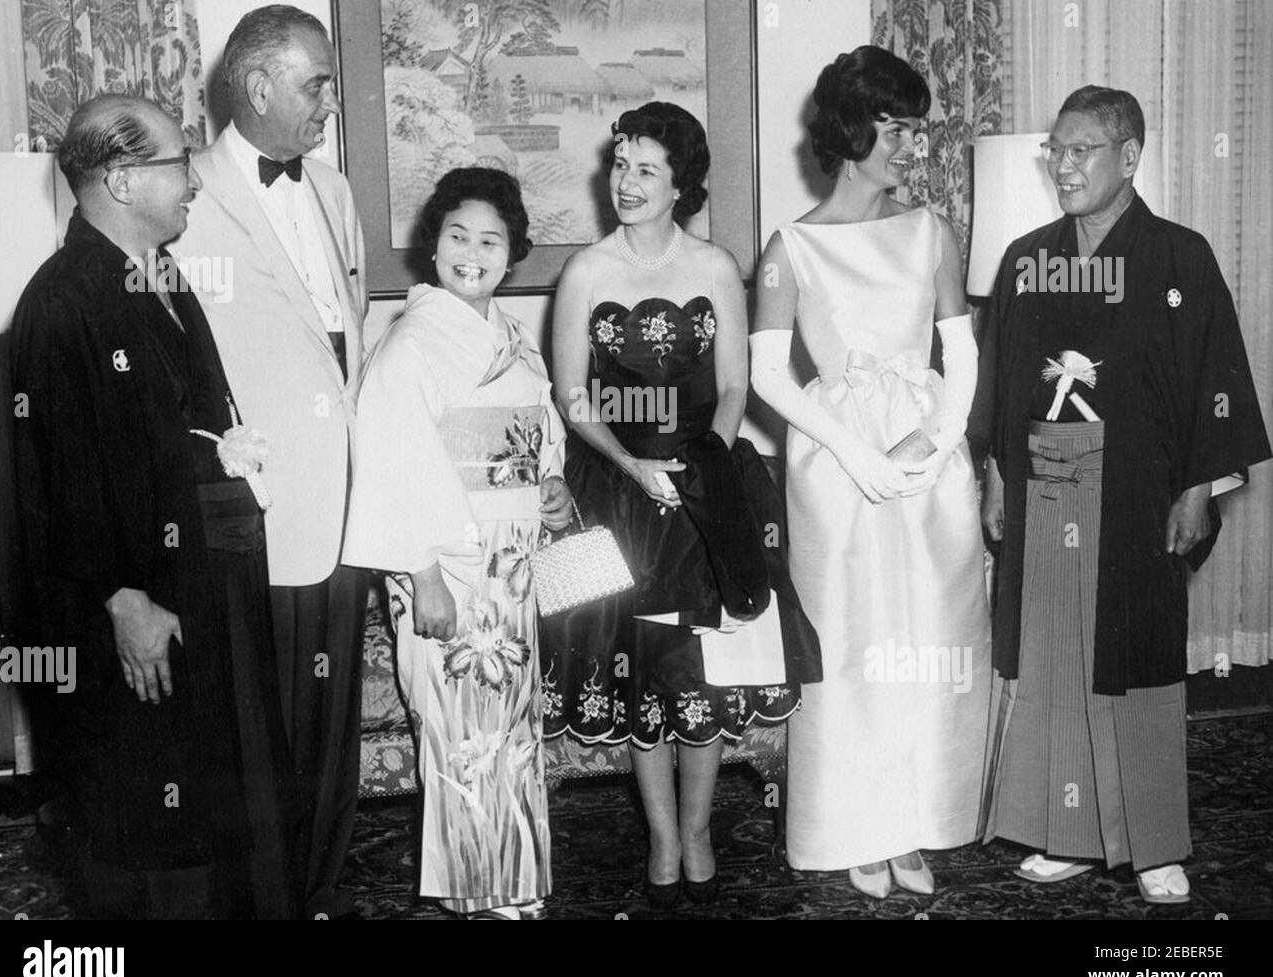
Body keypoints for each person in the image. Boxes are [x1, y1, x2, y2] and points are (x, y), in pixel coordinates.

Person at [979, 85, 1271, 903]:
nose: (1063, 166)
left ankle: (1152, 846)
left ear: (1130, 158)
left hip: (1140, 490)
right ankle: (1068, 833)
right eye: (1057, 152)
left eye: (1082, 151)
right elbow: (1001, 381)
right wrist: (996, 471)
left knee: (1136, 664)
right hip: (1044, 486)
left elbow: (1218, 382)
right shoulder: (1025, 259)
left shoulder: (1182, 257)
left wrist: (1201, 487)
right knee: (1056, 657)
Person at [11, 94, 295, 918]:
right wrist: (123, 597)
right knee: (151, 819)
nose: (196, 182)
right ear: (123, 179)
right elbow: (54, 480)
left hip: (202, 584)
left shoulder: (158, 275)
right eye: (180, 163)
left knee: (217, 801)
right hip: (138, 605)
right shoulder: (64, 301)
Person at [544, 102, 821, 907]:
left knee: (704, 669)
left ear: (680, 187)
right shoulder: (586, 272)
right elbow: (571, 398)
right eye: (619, 165)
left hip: (707, 487)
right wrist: (635, 467)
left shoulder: (713, 265)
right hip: (615, 490)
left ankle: (698, 831)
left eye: (643, 171)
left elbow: (734, 384)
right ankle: (662, 836)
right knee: (640, 671)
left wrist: (706, 466)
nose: (623, 183)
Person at [750, 46, 991, 898]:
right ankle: (854, 825)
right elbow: (767, 375)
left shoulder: (932, 231)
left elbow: (961, 355)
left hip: (926, 458)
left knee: (925, 642)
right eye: (894, 129)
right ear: (851, 131)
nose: (908, 148)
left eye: (914, 131)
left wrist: (930, 445)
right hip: (835, 468)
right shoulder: (790, 249)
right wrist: (856, 455)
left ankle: (914, 820)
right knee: (852, 650)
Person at [172, 4, 369, 918]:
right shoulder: (183, 194)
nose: (332, 99)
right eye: (317, 82)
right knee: (267, 737)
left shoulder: (331, 190)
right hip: (257, 512)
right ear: (257, 87)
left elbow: (349, 339)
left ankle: (319, 894)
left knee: (333, 736)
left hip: (346, 507)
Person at [342, 167, 571, 919]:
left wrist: (552, 483)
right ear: (432, 245)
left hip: (512, 563)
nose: (471, 253)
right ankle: (476, 888)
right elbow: (385, 469)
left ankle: (510, 877)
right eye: (457, 236)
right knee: (456, 730)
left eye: (490, 240)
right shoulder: (409, 344)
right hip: (442, 562)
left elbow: (539, 438)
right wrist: (422, 578)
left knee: (509, 727)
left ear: (513, 254)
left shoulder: (511, 337)